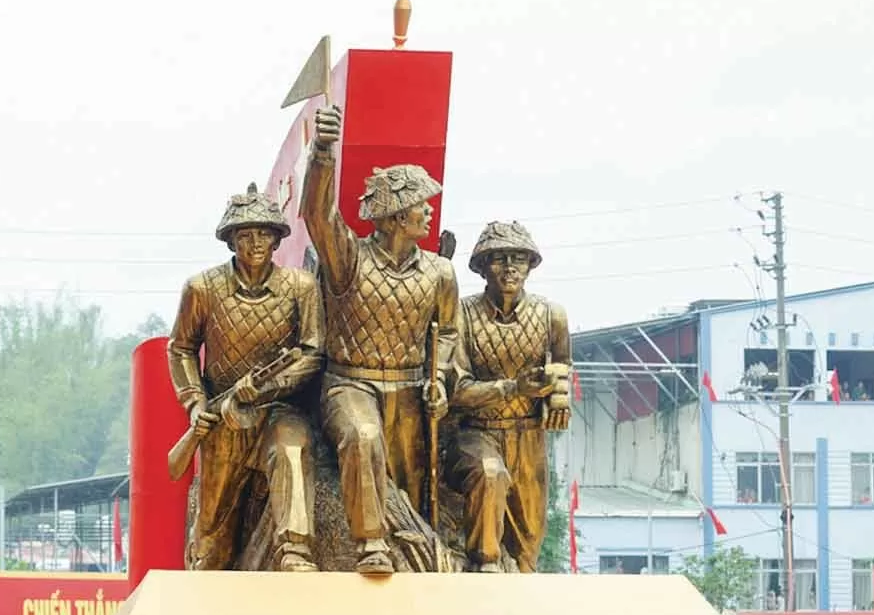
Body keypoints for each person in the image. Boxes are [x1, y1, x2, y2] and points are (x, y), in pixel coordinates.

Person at [302, 105, 459, 573]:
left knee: (412, 488)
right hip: (350, 384)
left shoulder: (439, 271)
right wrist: (323, 153)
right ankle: (370, 543)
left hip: (411, 387)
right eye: (420, 203)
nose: (429, 210)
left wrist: (442, 377)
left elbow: (448, 331)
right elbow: (317, 213)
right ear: (392, 216)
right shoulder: (348, 258)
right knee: (362, 436)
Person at [166, 183, 324, 572]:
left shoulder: (301, 287)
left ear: (276, 240)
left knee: (292, 449)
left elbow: (313, 352)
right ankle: (204, 570)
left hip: (277, 408)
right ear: (231, 240)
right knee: (212, 524)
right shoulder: (202, 288)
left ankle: (295, 551)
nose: (255, 243)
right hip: (225, 412)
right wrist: (195, 404)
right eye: (245, 235)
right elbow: (181, 348)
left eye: (264, 234)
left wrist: (268, 386)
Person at [447, 221, 571, 573]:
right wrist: (513, 387)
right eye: (498, 258)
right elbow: (458, 389)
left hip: (528, 436)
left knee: (528, 540)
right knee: (490, 475)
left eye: (518, 258)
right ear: (483, 266)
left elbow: (562, 365)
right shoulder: (462, 313)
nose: (509, 267)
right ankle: (484, 567)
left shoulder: (551, 315)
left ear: (531, 265)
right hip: (476, 432)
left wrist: (557, 395)